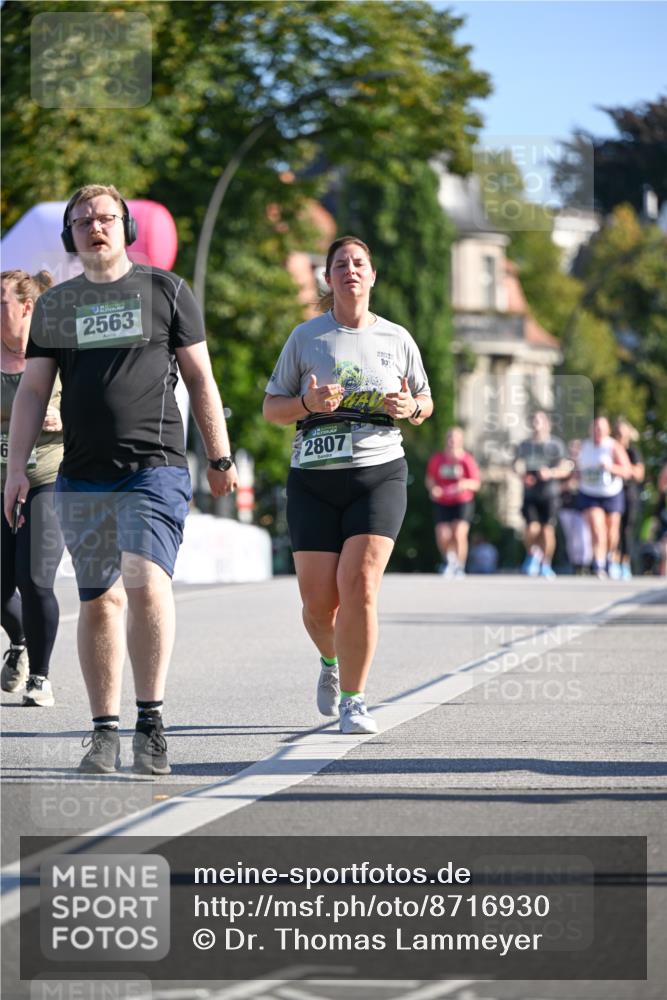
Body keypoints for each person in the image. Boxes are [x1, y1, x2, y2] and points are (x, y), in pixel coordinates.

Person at [3, 184, 239, 775]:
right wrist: (15, 472)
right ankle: (104, 730)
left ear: (126, 228)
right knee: (99, 599)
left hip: (153, 467)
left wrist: (220, 456)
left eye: (106, 217)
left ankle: (151, 721)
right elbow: (32, 391)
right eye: (81, 221)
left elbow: (202, 380)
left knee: (145, 582)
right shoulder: (57, 305)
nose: (94, 227)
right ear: (69, 237)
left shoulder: (167, 291)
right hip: (81, 474)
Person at [263, 235, 432, 735]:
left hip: (379, 474)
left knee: (358, 585)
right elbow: (273, 408)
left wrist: (411, 409)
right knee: (319, 606)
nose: (351, 270)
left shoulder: (397, 339)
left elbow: (424, 401)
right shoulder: (306, 338)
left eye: (360, 263)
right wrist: (308, 406)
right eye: (341, 264)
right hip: (314, 481)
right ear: (328, 277)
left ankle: (355, 702)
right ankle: (330, 664)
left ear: (372, 275)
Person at [1, 269, 65, 706]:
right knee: (2, 586)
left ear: (26, 306)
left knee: (34, 578)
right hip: (2, 478)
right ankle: (20, 640)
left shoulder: (58, 349)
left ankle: (40, 676)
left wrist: (67, 420)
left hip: (48, 476)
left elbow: (96, 401)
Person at [513, 411, 573, 578]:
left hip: (550, 493)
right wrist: (523, 476)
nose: (536, 423)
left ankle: (546, 563)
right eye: (534, 420)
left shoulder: (556, 445)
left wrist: (551, 473)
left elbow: (566, 468)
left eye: (539, 420)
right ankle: (533, 555)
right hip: (530, 494)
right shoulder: (524, 445)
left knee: (547, 530)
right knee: (531, 529)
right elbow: (515, 465)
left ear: (547, 424)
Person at [575, 416, 630, 578]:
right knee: (597, 528)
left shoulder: (613, 447)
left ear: (607, 430)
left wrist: (611, 467)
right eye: (595, 428)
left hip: (611, 493)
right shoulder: (584, 447)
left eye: (600, 428)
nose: (597, 431)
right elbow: (577, 470)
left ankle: (610, 557)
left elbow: (627, 471)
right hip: (590, 493)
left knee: (612, 530)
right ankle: (598, 563)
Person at [425, 426, 480, 577]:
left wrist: (464, 485)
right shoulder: (438, 459)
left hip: (462, 501)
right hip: (443, 501)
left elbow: (476, 483)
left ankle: (460, 566)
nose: (452, 442)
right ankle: (450, 560)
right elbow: (430, 479)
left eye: (455, 439)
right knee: (443, 535)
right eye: (450, 438)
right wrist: (433, 489)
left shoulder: (467, 460)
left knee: (459, 533)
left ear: (461, 441)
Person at [611, 417, 645, 579]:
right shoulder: (609, 450)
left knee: (626, 530)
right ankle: (612, 560)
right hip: (611, 494)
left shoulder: (633, 452)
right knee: (612, 529)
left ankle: (624, 562)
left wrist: (622, 468)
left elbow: (639, 474)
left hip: (628, 494)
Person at [558, 439, 592, 574]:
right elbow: (557, 486)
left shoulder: (586, 464)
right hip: (566, 505)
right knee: (571, 537)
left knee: (584, 535)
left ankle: (585, 564)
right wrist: (568, 484)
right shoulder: (565, 465)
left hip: (583, 505)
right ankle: (575, 564)